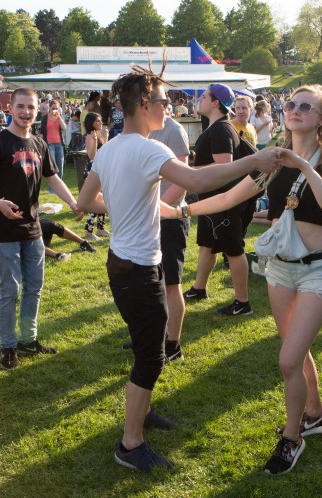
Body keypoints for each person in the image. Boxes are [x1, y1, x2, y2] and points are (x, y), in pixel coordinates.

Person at [76, 66, 278, 472]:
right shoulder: (150, 149)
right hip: (136, 267)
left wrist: (131, 207)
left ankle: (142, 411)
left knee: (149, 340)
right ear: (144, 105)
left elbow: (84, 200)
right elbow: (197, 177)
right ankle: (130, 444)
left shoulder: (112, 147)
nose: (170, 107)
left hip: (123, 263)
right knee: (151, 355)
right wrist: (253, 159)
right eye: (164, 102)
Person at [182, 84, 322, 474]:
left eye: (305, 106)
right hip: (280, 268)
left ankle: (292, 437)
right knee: (296, 349)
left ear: (321, 117)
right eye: (290, 104)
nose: (294, 110)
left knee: (288, 358)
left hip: (318, 270)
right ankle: (316, 414)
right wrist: (179, 211)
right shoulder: (272, 157)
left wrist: (304, 165)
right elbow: (229, 197)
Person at [0, 88, 80, 370]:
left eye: (31, 107)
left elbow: (53, 179)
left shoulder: (39, 143)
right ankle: (8, 346)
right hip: (4, 232)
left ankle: (28, 341)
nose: (26, 112)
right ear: (11, 108)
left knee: (34, 288)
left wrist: (73, 202)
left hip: (32, 230)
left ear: (37, 109)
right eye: (20, 106)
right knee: (10, 291)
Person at [183, 84, 255, 316]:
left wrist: (195, 171)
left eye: (204, 97)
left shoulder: (222, 129)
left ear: (215, 103)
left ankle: (242, 303)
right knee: (207, 244)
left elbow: (225, 165)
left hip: (224, 200)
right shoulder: (215, 127)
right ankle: (199, 288)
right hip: (211, 200)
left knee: (233, 249)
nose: (200, 100)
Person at [148, 108, 190, 362]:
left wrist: (157, 208)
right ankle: (153, 337)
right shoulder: (143, 130)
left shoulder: (173, 130)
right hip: (147, 220)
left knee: (171, 284)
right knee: (151, 283)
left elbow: (183, 179)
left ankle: (172, 345)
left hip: (170, 219)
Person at [83, 112, 110, 241]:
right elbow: (91, 156)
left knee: (102, 200)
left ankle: (100, 228)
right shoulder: (90, 136)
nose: (100, 123)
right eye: (97, 121)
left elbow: (105, 152)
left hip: (100, 170)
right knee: (94, 200)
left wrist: (106, 137)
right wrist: (94, 141)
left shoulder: (97, 135)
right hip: (92, 171)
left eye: (100, 120)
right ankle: (88, 231)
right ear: (91, 123)